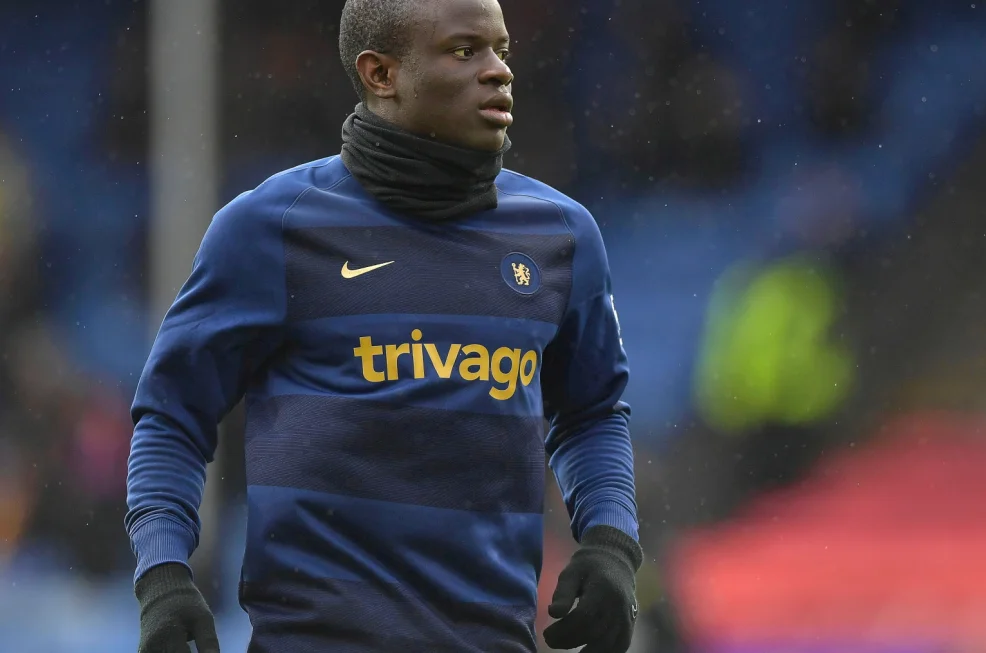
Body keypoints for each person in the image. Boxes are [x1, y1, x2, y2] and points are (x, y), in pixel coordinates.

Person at [124, 0, 642, 651]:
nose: (498, 72)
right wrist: (164, 575)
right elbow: (172, 413)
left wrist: (611, 539)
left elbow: (592, 410)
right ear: (380, 73)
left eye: (501, 51)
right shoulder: (271, 227)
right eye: (464, 50)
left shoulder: (560, 235)